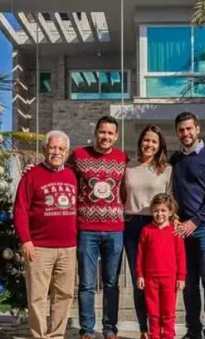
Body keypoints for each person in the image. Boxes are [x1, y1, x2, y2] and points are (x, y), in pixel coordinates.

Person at [12, 131, 78, 339]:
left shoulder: (73, 175)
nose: (56, 152)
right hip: (39, 247)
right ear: (44, 150)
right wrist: (26, 240)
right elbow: (20, 210)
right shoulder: (31, 176)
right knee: (37, 297)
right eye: (52, 147)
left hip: (68, 247)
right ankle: (39, 335)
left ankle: (57, 335)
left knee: (64, 295)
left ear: (67, 152)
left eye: (60, 148)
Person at [70, 115, 129, 339]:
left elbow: (125, 191)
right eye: (102, 132)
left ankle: (109, 328)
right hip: (86, 229)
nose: (106, 137)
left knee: (111, 282)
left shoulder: (123, 159)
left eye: (110, 133)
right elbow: (66, 181)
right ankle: (87, 329)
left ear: (116, 136)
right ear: (96, 132)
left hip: (115, 230)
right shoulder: (78, 156)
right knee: (86, 283)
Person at [170, 112, 205, 339]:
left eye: (189, 129)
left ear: (197, 129)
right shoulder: (175, 160)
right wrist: (175, 217)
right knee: (189, 284)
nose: (185, 133)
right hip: (182, 231)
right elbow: (170, 193)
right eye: (181, 130)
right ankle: (193, 331)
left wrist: (195, 221)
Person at [124, 125, 172, 339]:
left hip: (157, 225)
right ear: (140, 141)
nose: (149, 144)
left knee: (160, 280)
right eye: (146, 140)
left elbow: (170, 201)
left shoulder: (166, 170)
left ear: (159, 145)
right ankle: (145, 329)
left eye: (154, 141)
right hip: (132, 225)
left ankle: (164, 328)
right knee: (139, 279)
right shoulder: (128, 167)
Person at [136, 193, 186, 339]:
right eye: (156, 210)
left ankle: (169, 336)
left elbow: (181, 256)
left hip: (170, 278)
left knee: (168, 312)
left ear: (170, 212)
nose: (160, 214)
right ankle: (155, 336)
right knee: (153, 312)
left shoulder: (175, 231)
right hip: (151, 279)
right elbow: (140, 255)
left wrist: (181, 277)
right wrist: (140, 274)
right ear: (152, 211)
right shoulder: (146, 231)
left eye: (163, 210)